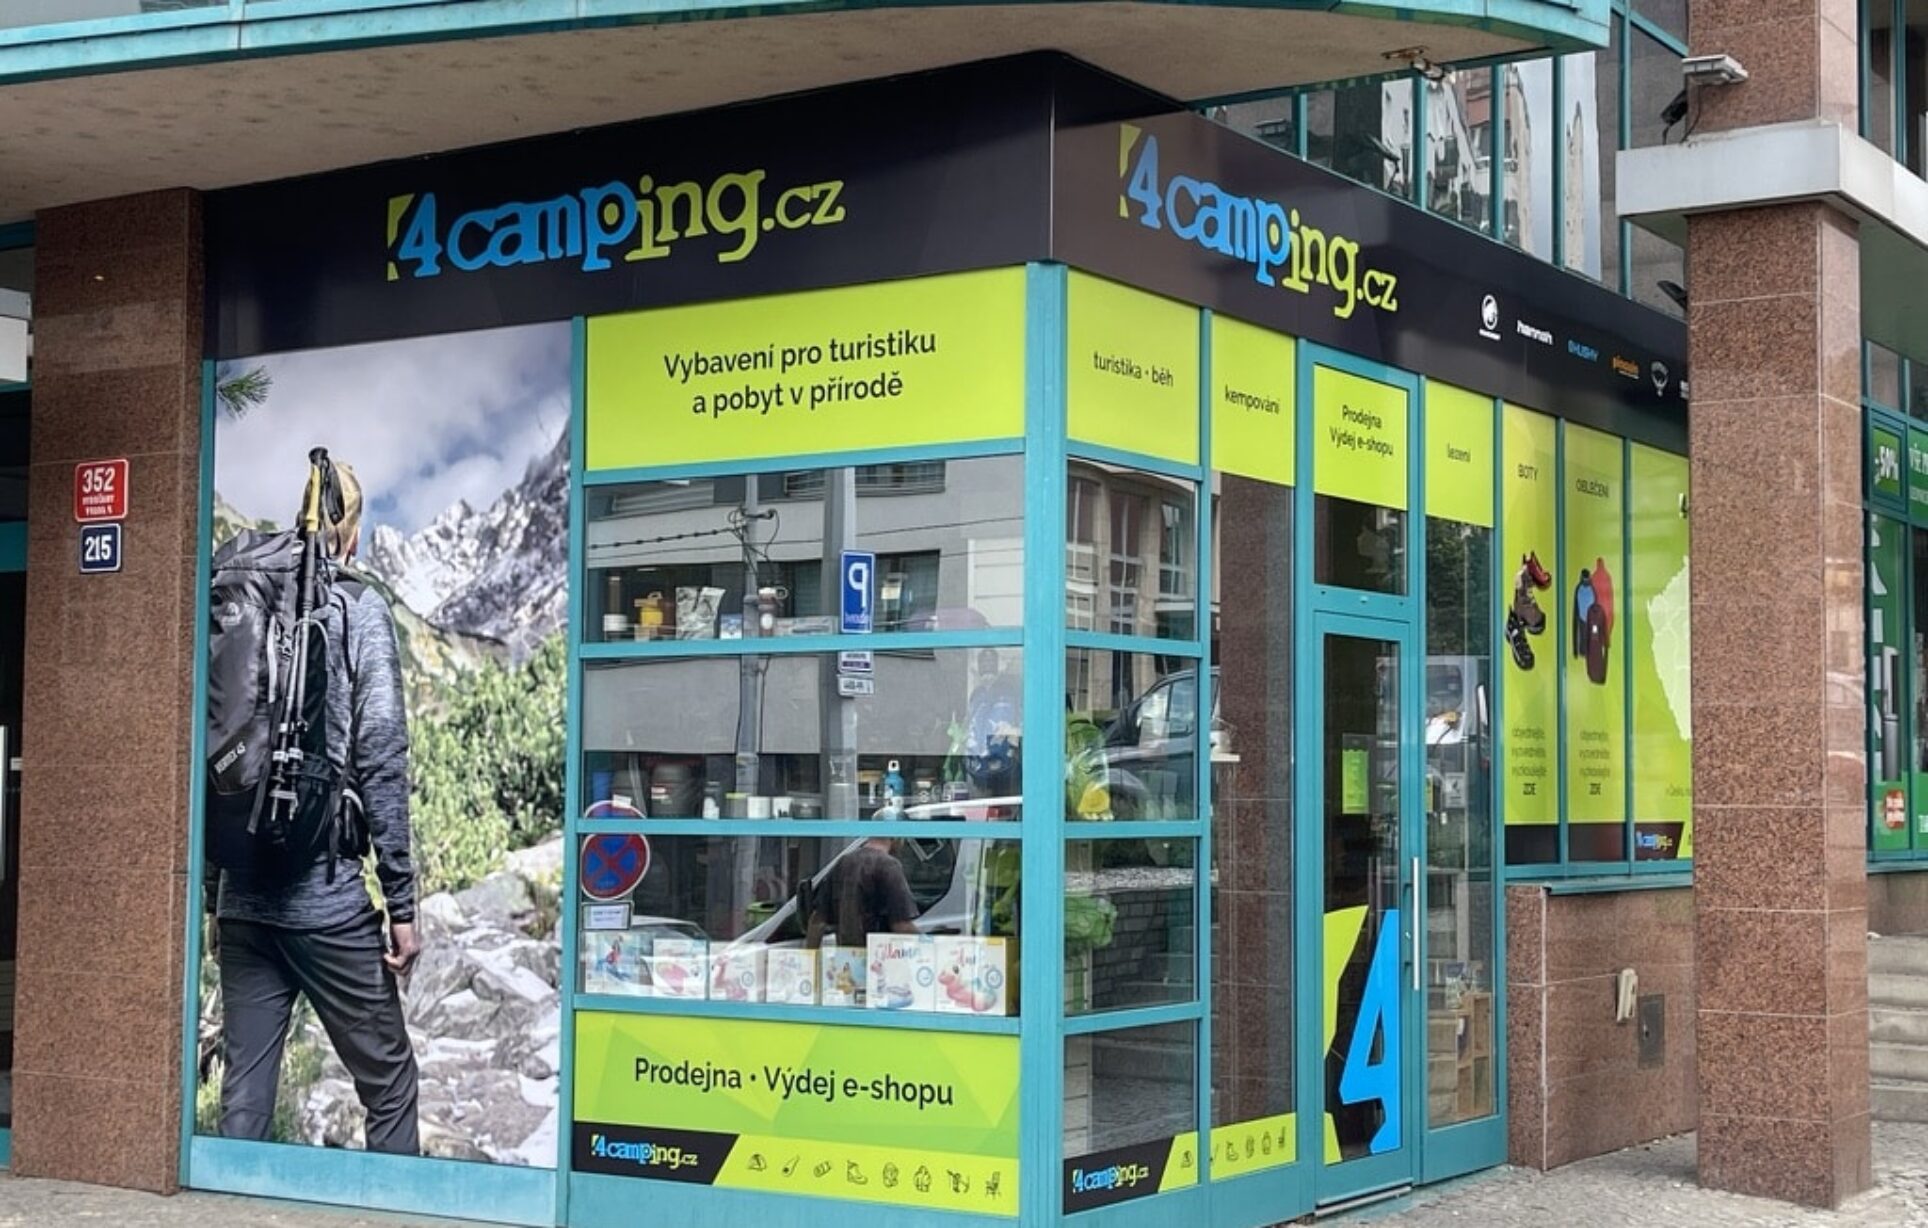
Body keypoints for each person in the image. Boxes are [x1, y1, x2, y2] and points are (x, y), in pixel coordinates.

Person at [215, 460, 422, 1154]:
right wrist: (402, 906)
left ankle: (223, 1204)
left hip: (242, 900)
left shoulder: (242, 601)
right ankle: (397, 1203)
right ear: (352, 535)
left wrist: (216, 890)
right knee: (390, 1086)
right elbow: (382, 754)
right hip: (325, 906)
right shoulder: (357, 608)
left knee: (244, 1100)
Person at [804, 835, 920, 948]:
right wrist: (926, 944)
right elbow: (901, 925)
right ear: (896, 839)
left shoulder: (843, 862)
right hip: (878, 955)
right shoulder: (889, 866)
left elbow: (817, 921)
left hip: (845, 956)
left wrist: (809, 956)